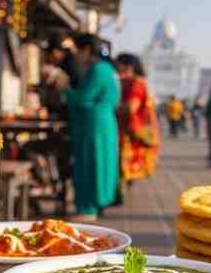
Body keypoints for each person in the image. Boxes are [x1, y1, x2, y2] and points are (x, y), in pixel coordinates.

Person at [64, 34, 120, 221]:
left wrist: (65, 90)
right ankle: (97, 203)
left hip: (94, 124)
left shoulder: (97, 70)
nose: (75, 56)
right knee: (102, 162)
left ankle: (88, 208)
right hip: (105, 122)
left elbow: (83, 98)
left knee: (90, 163)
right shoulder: (108, 69)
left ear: (87, 50)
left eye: (77, 51)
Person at [115, 53, 160, 187]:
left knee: (123, 166)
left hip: (131, 131)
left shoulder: (137, 83)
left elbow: (132, 107)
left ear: (130, 68)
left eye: (120, 67)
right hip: (127, 128)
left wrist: (107, 107)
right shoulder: (128, 82)